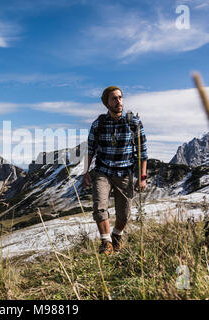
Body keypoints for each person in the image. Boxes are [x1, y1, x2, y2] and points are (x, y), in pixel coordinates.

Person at [83, 86, 148, 255]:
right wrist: (86, 171)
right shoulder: (98, 124)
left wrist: (142, 177)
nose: (118, 101)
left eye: (120, 97)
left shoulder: (133, 122)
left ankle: (116, 235)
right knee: (99, 208)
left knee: (124, 214)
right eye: (114, 98)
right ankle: (106, 243)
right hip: (103, 172)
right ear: (107, 103)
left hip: (125, 172)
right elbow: (90, 150)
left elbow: (143, 152)